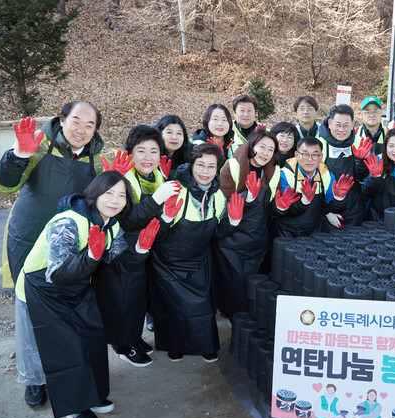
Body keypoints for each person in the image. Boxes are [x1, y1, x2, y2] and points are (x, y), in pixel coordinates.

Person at [15, 170, 160, 418]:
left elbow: (117, 263)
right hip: (43, 289)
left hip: (78, 285)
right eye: (109, 193)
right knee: (67, 348)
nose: (115, 200)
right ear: (94, 193)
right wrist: (91, 256)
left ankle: (93, 394)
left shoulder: (111, 224)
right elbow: (57, 273)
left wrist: (140, 249)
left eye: (122, 195)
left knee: (92, 337)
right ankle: (75, 406)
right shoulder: (68, 222)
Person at [0, 102, 104, 408]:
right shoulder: (40, 145)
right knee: (29, 308)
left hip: (69, 244)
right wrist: (17, 156)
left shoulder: (96, 158)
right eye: (76, 121)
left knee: (65, 307)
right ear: (62, 120)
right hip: (29, 237)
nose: (81, 130)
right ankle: (34, 377)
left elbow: (104, 199)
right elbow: (4, 186)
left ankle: (64, 370)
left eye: (90, 125)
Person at [93, 126, 181, 367]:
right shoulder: (122, 177)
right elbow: (126, 220)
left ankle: (133, 337)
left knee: (137, 298)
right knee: (122, 298)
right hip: (119, 250)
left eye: (154, 151)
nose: (147, 157)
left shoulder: (156, 175)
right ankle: (123, 345)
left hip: (141, 248)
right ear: (130, 153)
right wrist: (157, 198)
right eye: (141, 151)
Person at [148, 144, 243, 363]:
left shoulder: (218, 197)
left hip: (198, 260)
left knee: (202, 306)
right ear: (191, 165)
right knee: (171, 307)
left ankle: (205, 345)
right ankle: (174, 346)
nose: (205, 171)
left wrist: (233, 222)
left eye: (211, 166)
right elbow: (156, 235)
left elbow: (216, 233)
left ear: (217, 169)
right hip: (167, 263)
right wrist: (166, 219)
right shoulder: (175, 191)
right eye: (200, 165)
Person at [214, 130, 281, 318]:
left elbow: (271, 208)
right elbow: (222, 202)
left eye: (270, 149)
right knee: (233, 282)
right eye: (262, 147)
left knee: (252, 282)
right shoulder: (233, 166)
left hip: (257, 237)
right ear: (252, 146)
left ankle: (247, 315)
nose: (265, 153)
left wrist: (280, 208)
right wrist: (247, 198)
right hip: (232, 237)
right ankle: (232, 315)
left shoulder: (273, 172)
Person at [272, 137, 353, 237]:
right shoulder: (285, 175)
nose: (310, 159)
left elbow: (330, 207)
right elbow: (281, 212)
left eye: (315, 155)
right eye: (305, 154)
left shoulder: (326, 176)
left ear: (321, 157)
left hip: (314, 229)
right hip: (286, 231)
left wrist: (338, 198)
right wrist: (303, 201)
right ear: (296, 155)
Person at [318, 105, 364, 229]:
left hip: (354, 208)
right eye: (337, 125)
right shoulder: (319, 145)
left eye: (346, 125)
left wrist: (361, 162)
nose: (341, 130)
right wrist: (326, 212)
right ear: (330, 123)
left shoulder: (360, 143)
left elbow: (364, 178)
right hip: (327, 210)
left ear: (353, 124)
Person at [156, 115, 192, 179]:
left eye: (179, 133)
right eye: (169, 132)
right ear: (159, 133)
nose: (174, 137)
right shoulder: (151, 154)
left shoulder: (189, 152)